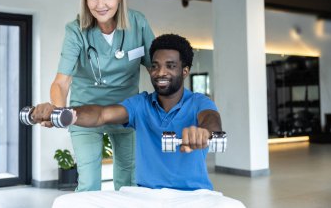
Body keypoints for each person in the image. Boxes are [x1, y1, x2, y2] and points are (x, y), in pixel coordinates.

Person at [33, 34, 246, 207]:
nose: (160, 72)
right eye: (155, 66)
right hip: (144, 196)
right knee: (66, 202)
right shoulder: (140, 104)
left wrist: (204, 132)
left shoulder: (200, 102)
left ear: (185, 71)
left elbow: (212, 121)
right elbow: (101, 114)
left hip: (194, 196)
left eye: (170, 66)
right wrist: (61, 113)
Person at [48, 0, 155, 191]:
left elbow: (156, 69)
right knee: (88, 183)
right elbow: (61, 81)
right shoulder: (76, 30)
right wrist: (60, 112)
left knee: (129, 182)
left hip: (125, 111)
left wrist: (164, 109)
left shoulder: (138, 23)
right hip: (85, 112)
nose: (100, 4)